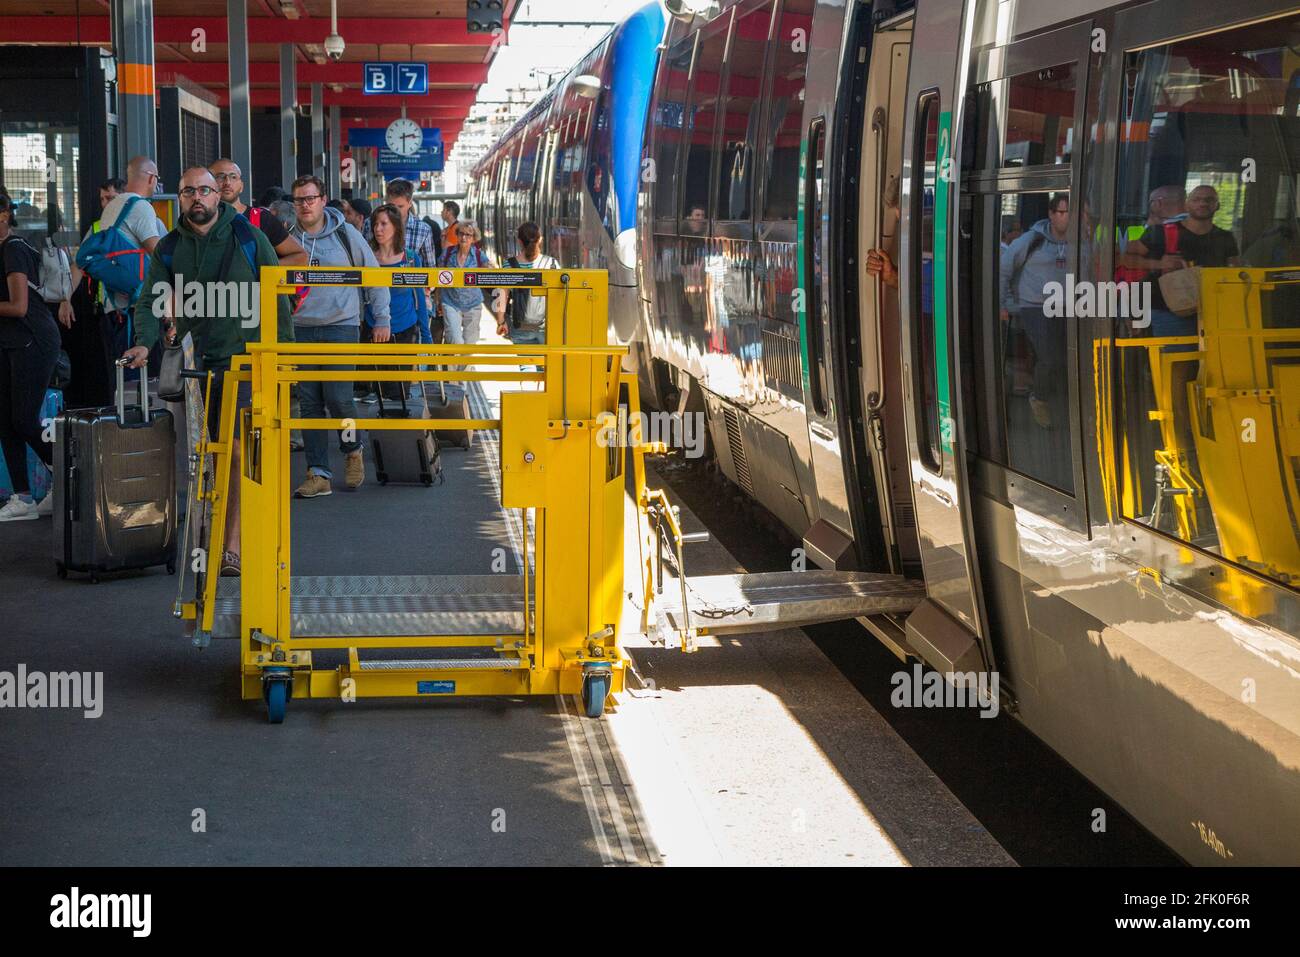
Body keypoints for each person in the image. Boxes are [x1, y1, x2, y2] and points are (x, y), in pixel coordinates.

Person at [122, 167, 293, 574]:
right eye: (188, 192)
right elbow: (149, 302)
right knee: (210, 455)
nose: (197, 197)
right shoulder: (168, 248)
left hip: (250, 362)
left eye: (204, 190)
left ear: (219, 196)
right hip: (201, 368)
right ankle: (218, 527)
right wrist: (145, 341)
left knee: (235, 451)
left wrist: (284, 358)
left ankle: (230, 546)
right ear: (178, 198)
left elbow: (276, 296)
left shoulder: (248, 237)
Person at [287, 175, 391, 498]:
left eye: (311, 198)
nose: (305, 205)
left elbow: (373, 276)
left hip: (341, 326)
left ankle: (352, 448)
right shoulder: (288, 239)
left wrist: (381, 318)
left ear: (322, 199)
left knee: (339, 397)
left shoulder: (347, 235)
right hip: (301, 328)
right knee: (309, 402)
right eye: (299, 200)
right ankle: (319, 473)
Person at [78, 156, 165, 386]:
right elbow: (157, 252)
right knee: (147, 383)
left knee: (123, 382)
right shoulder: (140, 206)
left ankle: (123, 420)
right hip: (139, 309)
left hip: (115, 307)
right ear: (151, 178)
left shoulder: (112, 208)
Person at [0, 193, 60, 521]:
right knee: (6, 421)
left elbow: (19, 306)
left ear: (5, 214)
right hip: (9, 343)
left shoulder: (14, 249)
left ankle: (65, 477)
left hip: (33, 341)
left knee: (22, 418)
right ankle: (21, 498)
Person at [1122, 184, 1239, 338]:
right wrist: (1159, 264)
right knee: (1178, 361)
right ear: (1186, 204)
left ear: (1217, 206)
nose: (1203, 203)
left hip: (1213, 313)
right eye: (1196, 199)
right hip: (1169, 312)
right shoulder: (1161, 232)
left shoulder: (1226, 238)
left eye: (1209, 200)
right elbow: (1122, 256)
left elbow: (1235, 274)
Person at [999, 192, 1072, 431]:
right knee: (1049, 357)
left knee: (1065, 358)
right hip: (1035, 307)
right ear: (1051, 214)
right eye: (1062, 212)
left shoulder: (1082, 240)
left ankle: (1060, 405)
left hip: (1071, 305)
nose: (1067, 218)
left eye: (1071, 212)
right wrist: (1002, 304)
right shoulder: (1032, 240)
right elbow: (1004, 270)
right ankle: (1038, 398)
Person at [367, 204, 429, 399]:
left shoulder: (410, 259)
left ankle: (398, 430)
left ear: (396, 227)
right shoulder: (367, 258)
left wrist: (426, 336)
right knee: (376, 391)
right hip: (372, 329)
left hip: (404, 329)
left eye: (384, 224)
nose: (378, 229)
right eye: (375, 224)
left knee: (399, 391)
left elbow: (419, 297)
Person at [209, 159, 307, 265]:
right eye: (220, 177)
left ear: (241, 186)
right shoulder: (198, 219)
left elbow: (300, 257)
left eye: (233, 177)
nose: (227, 182)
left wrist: (262, 270)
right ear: (208, 184)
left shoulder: (261, 219)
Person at [498, 222, 557, 368]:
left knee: (527, 367)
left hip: (521, 325)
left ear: (519, 241)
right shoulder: (552, 264)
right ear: (540, 239)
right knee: (549, 369)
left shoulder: (509, 265)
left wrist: (501, 322)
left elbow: (501, 297)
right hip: (547, 327)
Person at [437, 221, 502, 346]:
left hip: (473, 303)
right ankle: (457, 364)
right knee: (455, 341)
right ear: (457, 235)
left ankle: (465, 366)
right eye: (461, 234)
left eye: (468, 235)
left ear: (474, 238)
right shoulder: (448, 253)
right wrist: (438, 299)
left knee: (470, 345)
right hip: (451, 302)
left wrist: (489, 267)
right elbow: (438, 276)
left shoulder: (478, 255)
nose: (464, 237)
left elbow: (490, 268)